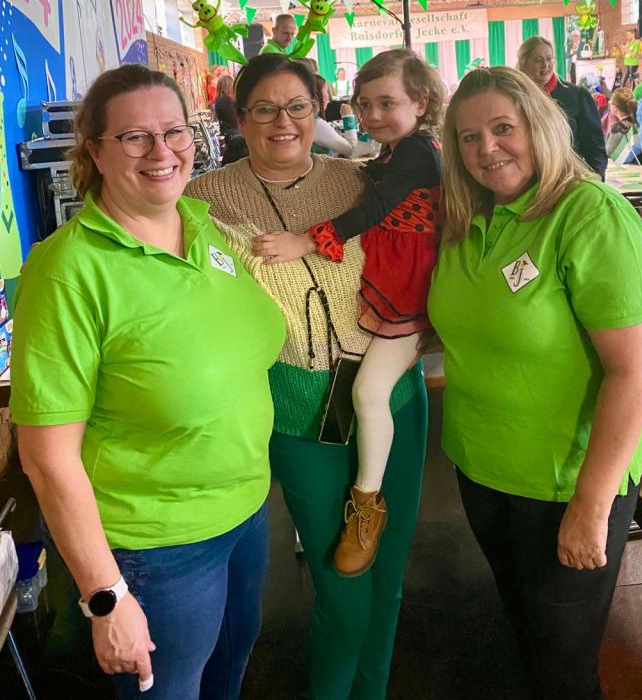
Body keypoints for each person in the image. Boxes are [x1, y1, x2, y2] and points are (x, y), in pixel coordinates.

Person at [10, 65, 285, 700]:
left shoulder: (203, 226)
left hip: (244, 512)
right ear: (95, 152)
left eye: (174, 131)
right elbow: (46, 459)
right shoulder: (67, 272)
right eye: (135, 137)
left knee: (229, 666)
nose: (162, 151)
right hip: (156, 546)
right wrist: (106, 596)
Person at [185, 53, 428, 700]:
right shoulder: (203, 200)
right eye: (264, 109)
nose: (283, 122)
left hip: (392, 396)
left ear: (318, 110)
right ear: (240, 118)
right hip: (298, 409)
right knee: (341, 587)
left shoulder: (361, 181)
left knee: (388, 578)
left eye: (296, 106)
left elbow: (433, 234)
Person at [428, 65, 642, 700]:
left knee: (563, 671)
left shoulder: (589, 213)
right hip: (483, 469)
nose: (487, 148)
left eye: (504, 128)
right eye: (469, 137)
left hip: (567, 483)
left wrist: (591, 505)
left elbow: (635, 369)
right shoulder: (468, 217)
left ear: (540, 126)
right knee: (527, 638)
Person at [258, 50, 442, 577]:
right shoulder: (399, 150)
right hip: (393, 282)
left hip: (410, 291)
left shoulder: (418, 152)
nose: (373, 115)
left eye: (387, 103)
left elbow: (373, 209)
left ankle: (367, 503)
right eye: (365, 104)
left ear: (420, 102)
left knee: (368, 392)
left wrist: (306, 241)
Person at [518, 36, 607, 178]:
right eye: (538, 60)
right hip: (527, 180)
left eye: (549, 59)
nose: (545, 65)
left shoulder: (577, 95)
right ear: (524, 63)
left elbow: (594, 145)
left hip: (569, 178)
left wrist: (596, 177)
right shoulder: (514, 98)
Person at [312, 74, 359, 158]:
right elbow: (351, 150)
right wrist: (348, 117)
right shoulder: (316, 123)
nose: (328, 96)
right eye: (326, 91)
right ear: (318, 95)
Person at [605, 88, 638, 159]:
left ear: (614, 108)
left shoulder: (617, 128)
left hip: (624, 164)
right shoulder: (638, 124)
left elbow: (608, 153)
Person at [213, 73, 238, 140]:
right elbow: (234, 120)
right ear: (228, 86)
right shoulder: (226, 100)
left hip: (227, 132)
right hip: (233, 134)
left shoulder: (219, 99)